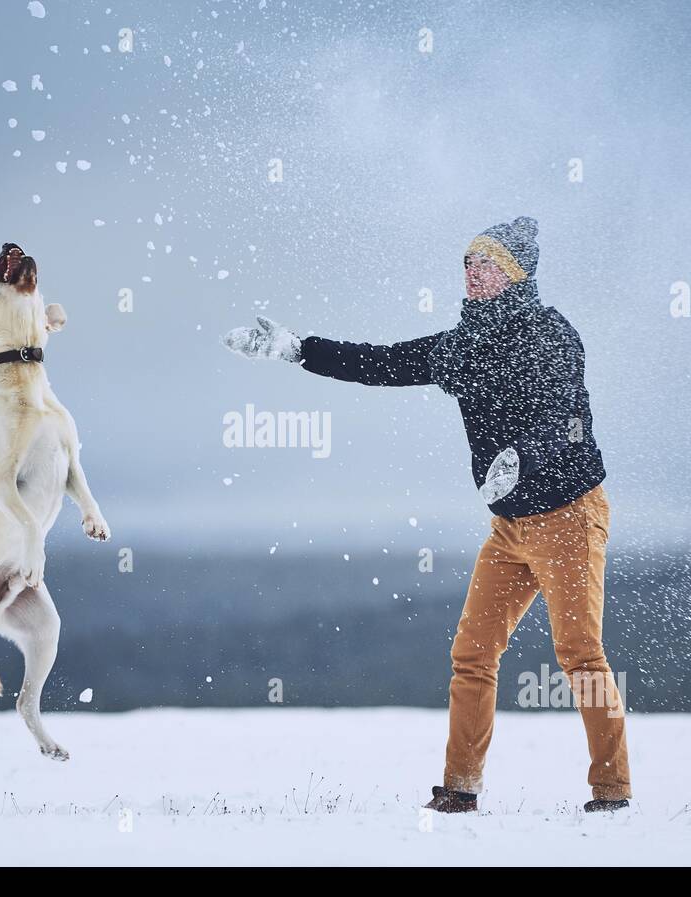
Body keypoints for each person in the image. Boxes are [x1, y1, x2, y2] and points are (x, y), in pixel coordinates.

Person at [222, 216, 632, 813]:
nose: (472, 272)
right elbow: (383, 362)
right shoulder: (461, 347)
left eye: (485, 262)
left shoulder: (550, 335)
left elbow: (566, 419)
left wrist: (522, 457)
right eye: (466, 262)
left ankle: (613, 792)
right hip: (512, 525)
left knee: (578, 652)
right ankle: (460, 790)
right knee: (473, 651)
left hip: (569, 513)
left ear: (514, 273)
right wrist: (297, 350)